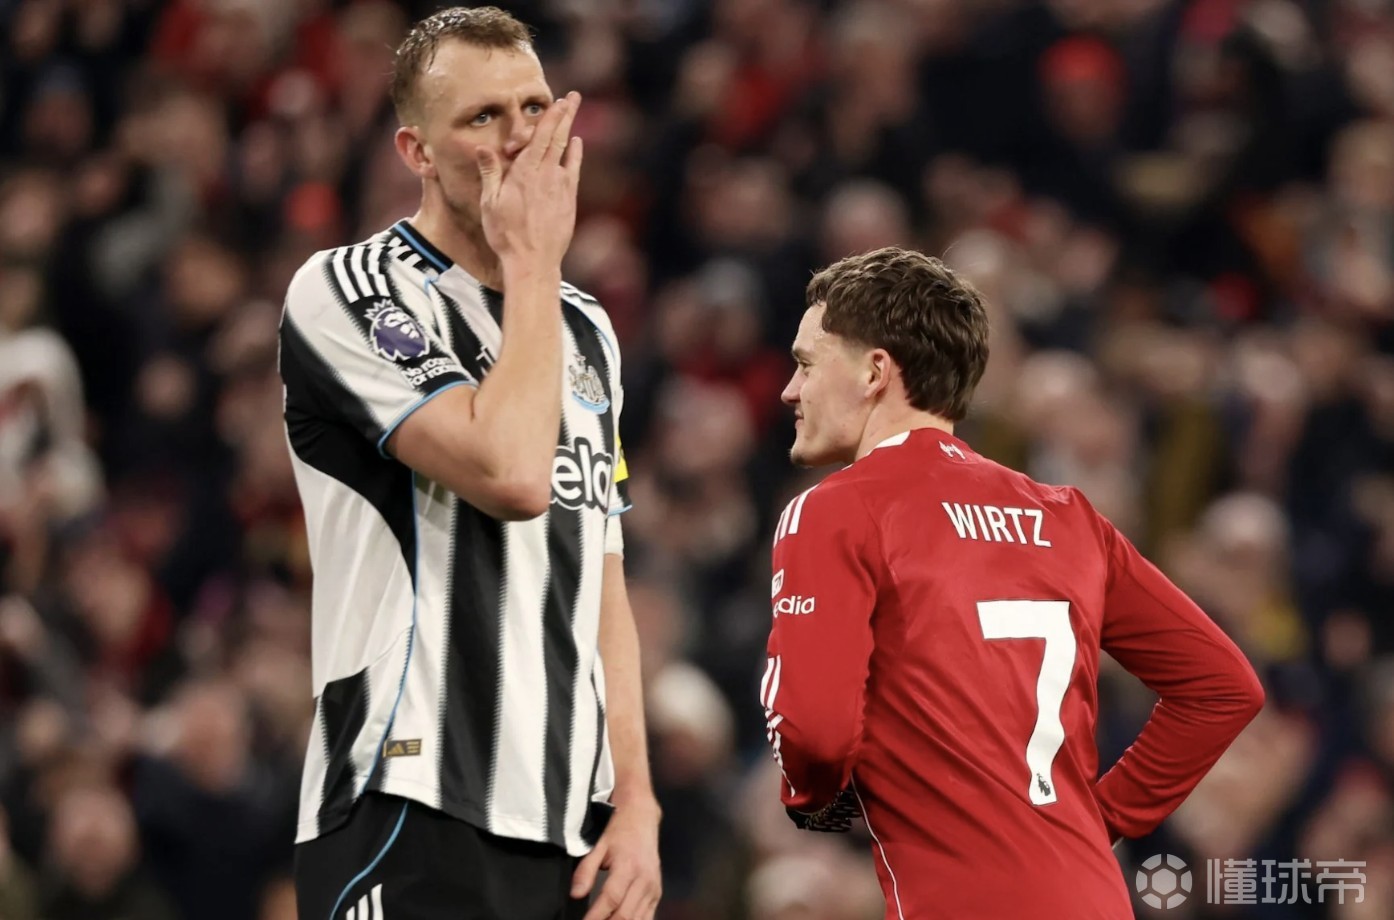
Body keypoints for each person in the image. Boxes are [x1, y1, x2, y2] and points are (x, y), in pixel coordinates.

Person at [277, 7, 661, 920]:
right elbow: (514, 476)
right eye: (484, 117)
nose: (521, 138)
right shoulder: (350, 290)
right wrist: (532, 264)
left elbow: (601, 575)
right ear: (416, 151)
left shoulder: (586, 329)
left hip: (571, 827)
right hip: (407, 798)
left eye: (534, 107)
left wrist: (637, 800)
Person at [760, 246, 1265, 919]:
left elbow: (816, 736)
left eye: (805, 363)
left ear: (875, 371)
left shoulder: (838, 510)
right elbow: (1223, 688)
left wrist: (809, 798)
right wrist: (1097, 821)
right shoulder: (1070, 518)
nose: (790, 391)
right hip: (1095, 898)